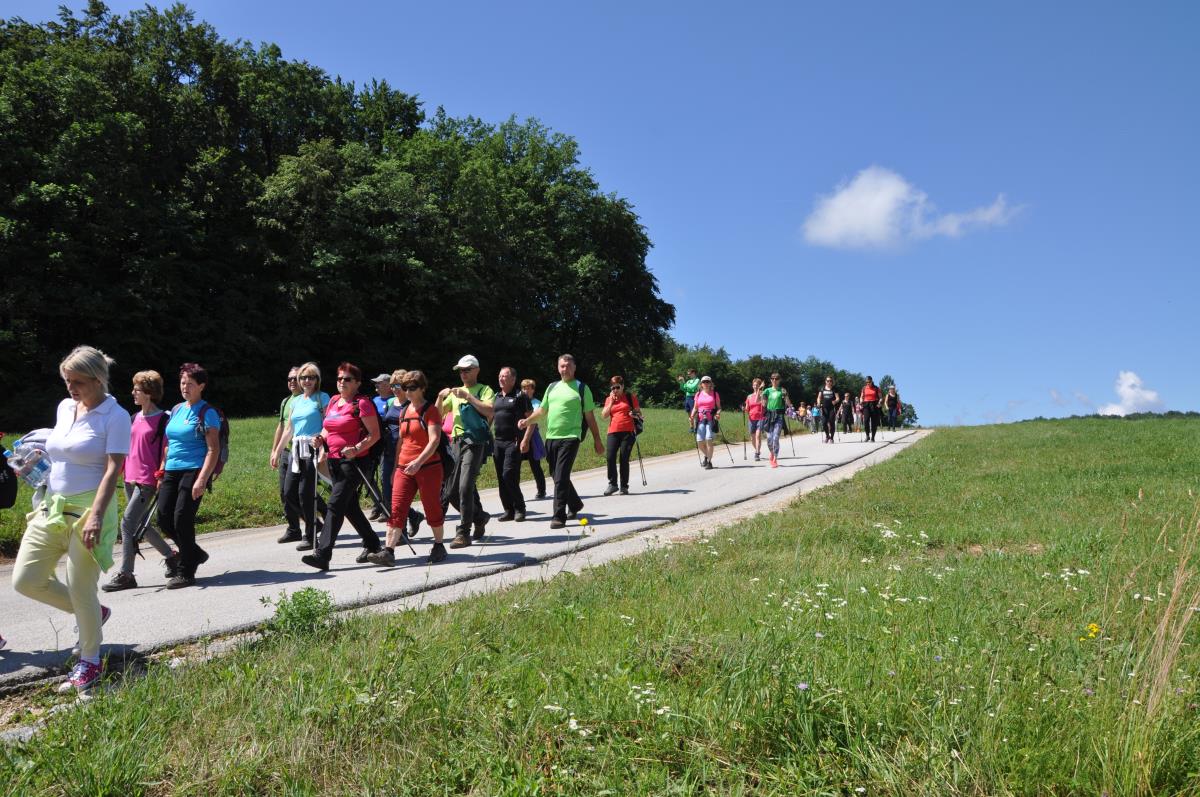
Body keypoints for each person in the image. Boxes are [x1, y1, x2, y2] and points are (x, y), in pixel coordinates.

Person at [12, 346, 129, 695]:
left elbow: (113, 469)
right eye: (67, 381)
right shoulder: (65, 407)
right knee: (26, 580)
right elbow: (60, 453)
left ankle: (91, 661)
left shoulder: (115, 415)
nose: (71, 388)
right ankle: (93, 613)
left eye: (77, 382)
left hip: (90, 509)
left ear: (98, 379)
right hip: (52, 505)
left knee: (80, 586)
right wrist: (34, 465)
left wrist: (97, 515)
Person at [301, 362, 387, 570]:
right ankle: (373, 543)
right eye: (339, 378)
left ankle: (323, 554)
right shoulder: (333, 401)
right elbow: (327, 428)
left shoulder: (362, 403)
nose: (341, 382)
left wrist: (356, 448)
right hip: (334, 460)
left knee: (335, 504)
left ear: (357, 383)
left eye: (347, 379)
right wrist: (320, 439)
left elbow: (374, 434)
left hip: (355, 463)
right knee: (350, 507)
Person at [103, 370, 179, 592]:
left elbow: (167, 450)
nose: (133, 393)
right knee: (140, 525)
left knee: (127, 523)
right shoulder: (134, 418)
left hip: (147, 481)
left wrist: (161, 474)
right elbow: (127, 448)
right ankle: (171, 556)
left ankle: (127, 574)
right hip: (130, 478)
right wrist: (117, 473)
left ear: (149, 393)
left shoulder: (163, 420)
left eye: (137, 390)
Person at [518, 354, 603, 529]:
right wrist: (527, 421)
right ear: (558, 368)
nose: (565, 369)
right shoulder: (552, 387)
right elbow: (542, 411)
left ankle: (559, 516)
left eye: (569, 365)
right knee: (556, 474)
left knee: (561, 476)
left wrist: (597, 440)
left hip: (571, 437)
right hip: (551, 437)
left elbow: (590, 417)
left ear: (574, 367)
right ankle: (575, 504)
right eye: (562, 366)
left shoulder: (582, 388)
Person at [376, 370, 449, 565]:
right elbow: (401, 442)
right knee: (396, 508)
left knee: (431, 507)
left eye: (412, 387)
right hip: (404, 468)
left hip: (428, 467)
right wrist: (395, 468)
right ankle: (388, 551)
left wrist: (418, 462)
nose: (407, 391)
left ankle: (439, 545)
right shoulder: (404, 412)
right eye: (404, 387)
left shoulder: (430, 411)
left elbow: (434, 440)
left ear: (422, 388)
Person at [157, 363, 219, 589]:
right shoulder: (176, 409)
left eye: (190, 384)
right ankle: (194, 552)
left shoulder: (207, 412)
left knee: (182, 519)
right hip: (171, 469)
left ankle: (186, 571)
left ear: (201, 386)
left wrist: (202, 479)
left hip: (194, 470)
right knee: (164, 518)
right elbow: (169, 444)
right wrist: (162, 470)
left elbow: (213, 449)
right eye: (183, 383)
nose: (185, 387)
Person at [438, 355, 495, 548]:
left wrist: (469, 397)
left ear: (476, 370)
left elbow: (490, 411)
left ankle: (463, 533)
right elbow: (437, 414)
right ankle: (479, 517)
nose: (463, 373)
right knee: (450, 492)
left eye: (467, 370)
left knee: (464, 487)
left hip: (474, 442)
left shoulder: (484, 390)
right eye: (461, 370)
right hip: (455, 442)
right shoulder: (454, 393)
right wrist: (440, 397)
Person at [274, 361, 330, 551]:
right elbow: (289, 429)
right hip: (296, 449)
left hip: (313, 448)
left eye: (311, 377)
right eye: (303, 377)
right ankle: (316, 525)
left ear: (317, 380)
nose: (307, 381)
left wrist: (321, 443)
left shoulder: (322, 398)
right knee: (288, 492)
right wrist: (277, 451)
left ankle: (310, 535)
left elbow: (329, 423)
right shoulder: (296, 401)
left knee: (305, 493)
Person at [380, 370, 425, 536]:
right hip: (388, 451)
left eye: (398, 385)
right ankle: (413, 515)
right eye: (392, 385)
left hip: (404, 453)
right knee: (387, 492)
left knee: (399, 493)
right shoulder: (390, 402)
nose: (395, 389)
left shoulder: (411, 404)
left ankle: (401, 532)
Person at [492, 366, 533, 522]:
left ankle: (520, 508)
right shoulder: (496, 397)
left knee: (509, 474)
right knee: (501, 478)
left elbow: (532, 420)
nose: (501, 378)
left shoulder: (520, 396)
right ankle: (508, 510)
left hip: (514, 441)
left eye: (505, 376)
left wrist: (526, 440)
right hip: (498, 442)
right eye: (500, 376)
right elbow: (490, 417)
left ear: (513, 379)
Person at [270, 367, 303, 543]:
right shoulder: (286, 401)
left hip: (300, 451)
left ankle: (321, 518)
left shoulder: (306, 400)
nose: (292, 382)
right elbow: (282, 426)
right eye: (289, 379)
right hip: (286, 451)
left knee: (298, 491)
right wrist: (275, 450)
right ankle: (294, 529)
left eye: (295, 378)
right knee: (285, 491)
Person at [602, 376, 641, 494]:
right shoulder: (609, 399)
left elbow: (638, 413)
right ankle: (612, 484)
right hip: (613, 432)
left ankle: (624, 486)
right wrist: (611, 402)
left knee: (624, 459)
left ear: (622, 386)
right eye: (613, 388)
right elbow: (604, 415)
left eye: (617, 387)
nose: (615, 390)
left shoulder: (630, 397)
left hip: (628, 432)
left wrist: (633, 414)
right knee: (610, 457)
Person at [365, 374, 392, 520]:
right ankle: (378, 504)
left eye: (379, 383)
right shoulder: (373, 401)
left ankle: (387, 508)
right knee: (367, 475)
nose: (376, 385)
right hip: (372, 442)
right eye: (375, 383)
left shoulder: (394, 401)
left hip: (387, 443)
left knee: (384, 476)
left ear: (388, 385)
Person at [520, 378, 548, 499]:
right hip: (519, 435)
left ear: (533, 390)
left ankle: (541, 490)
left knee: (535, 464)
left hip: (532, 435)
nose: (526, 390)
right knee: (515, 465)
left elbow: (534, 419)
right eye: (524, 388)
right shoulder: (519, 401)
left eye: (528, 388)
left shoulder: (537, 403)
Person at [689, 376, 721, 470]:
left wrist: (717, 414)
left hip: (711, 419)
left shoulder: (715, 394)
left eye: (707, 382)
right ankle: (707, 456)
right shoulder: (698, 394)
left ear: (711, 383)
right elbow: (695, 407)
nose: (706, 384)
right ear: (701, 384)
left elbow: (719, 408)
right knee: (699, 441)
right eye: (704, 382)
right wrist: (691, 416)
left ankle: (709, 462)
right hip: (700, 420)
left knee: (709, 439)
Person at [762, 373, 792, 468]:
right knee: (769, 439)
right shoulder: (767, 391)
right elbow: (763, 404)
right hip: (769, 416)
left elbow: (788, 404)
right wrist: (761, 393)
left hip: (779, 416)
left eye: (776, 378)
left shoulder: (782, 390)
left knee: (775, 438)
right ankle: (772, 452)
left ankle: (775, 458)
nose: (774, 380)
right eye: (773, 378)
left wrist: (786, 396)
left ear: (779, 380)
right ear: (771, 380)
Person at [743, 378, 766, 461]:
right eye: (754, 385)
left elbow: (764, 405)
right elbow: (747, 408)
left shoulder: (762, 395)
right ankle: (757, 450)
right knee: (752, 438)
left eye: (757, 385)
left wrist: (760, 392)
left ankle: (756, 453)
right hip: (751, 418)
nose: (755, 386)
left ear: (759, 386)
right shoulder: (749, 396)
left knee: (758, 435)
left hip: (761, 417)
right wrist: (744, 409)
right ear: (752, 386)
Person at [816, 376, 840, 443]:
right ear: (825, 381)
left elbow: (838, 398)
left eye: (830, 381)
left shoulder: (834, 389)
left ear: (832, 382)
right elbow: (819, 397)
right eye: (828, 381)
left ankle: (831, 438)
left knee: (832, 423)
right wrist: (818, 403)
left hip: (832, 408)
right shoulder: (822, 388)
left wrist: (835, 401)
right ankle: (827, 436)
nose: (829, 382)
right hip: (824, 408)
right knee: (824, 423)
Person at [860, 376, 882, 442]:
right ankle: (867, 436)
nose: (868, 383)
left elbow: (881, 397)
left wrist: (879, 402)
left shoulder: (876, 388)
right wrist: (861, 401)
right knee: (866, 421)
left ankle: (873, 437)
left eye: (869, 382)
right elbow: (861, 396)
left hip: (874, 404)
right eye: (866, 382)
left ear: (872, 381)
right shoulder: (864, 388)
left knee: (874, 422)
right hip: (866, 405)